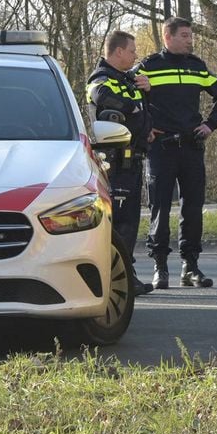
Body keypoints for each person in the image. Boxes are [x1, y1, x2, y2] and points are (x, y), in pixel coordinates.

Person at [137, 17, 217, 289]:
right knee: (160, 208)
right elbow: (129, 97)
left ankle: (190, 267)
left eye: (191, 36)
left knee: (192, 209)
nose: (191, 40)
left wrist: (211, 124)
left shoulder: (197, 66)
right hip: (161, 149)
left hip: (191, 147)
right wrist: (144, 128)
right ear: (168, 37)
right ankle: (160, 268)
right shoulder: (148, 67)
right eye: (185, 35)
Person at [86, 31, 154, 297]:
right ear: (117, 52)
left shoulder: (126, 80)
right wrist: (133, 107)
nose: (135, 55)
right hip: (115, 163)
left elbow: (141, 111)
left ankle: (127, 274)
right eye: (132, 50)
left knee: (129, 223)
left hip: (133, 159)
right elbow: (102, 97)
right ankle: (118, 279)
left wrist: (146, 94)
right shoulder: (101, 79)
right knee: (119, 225)